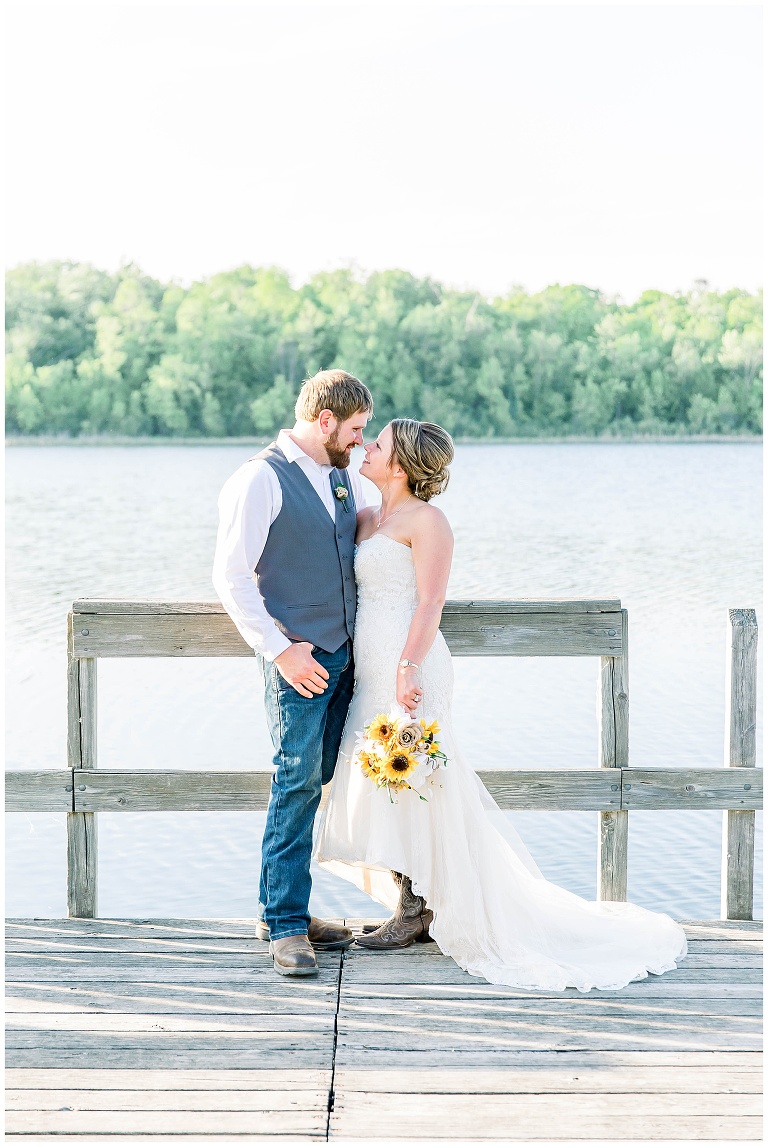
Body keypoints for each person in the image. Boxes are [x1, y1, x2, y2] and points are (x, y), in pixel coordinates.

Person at [315, 418, 688, 991]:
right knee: (379, 780)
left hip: (408, 667)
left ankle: (420, 909)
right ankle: (411, 901)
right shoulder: (367, 517)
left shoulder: (428, 522)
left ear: (403, 464)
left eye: (379, 443)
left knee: (419, 781)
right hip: (369, 670)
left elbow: (431, 601)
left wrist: (407, 668)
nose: (367, 447)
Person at [212, 369, 373, 976]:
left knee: (323, 776)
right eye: (355, 430)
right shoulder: (259, 479)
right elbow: (230, 578)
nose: (360, 442)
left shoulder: (338, 477)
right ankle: (284, 925)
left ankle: (288, 910)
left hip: (346, 654)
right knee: (296, 779)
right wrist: (280, 650)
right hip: (299, 659)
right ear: (324, 420)